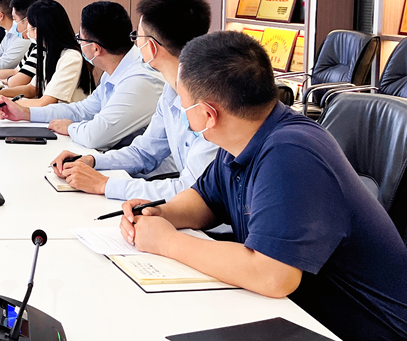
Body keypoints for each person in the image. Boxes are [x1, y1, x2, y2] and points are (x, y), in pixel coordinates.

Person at [119, 31, 407, 341]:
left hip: (362, 331)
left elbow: (273, 275)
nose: (182, 113)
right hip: (298, 316)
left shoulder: (291, 152)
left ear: (208, 114)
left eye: (184, 105)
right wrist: (161, 213)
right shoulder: (243, 138)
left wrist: (167, 242)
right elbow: (206, 200)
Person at [50, 0, 220, 201]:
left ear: (151, 47)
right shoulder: (171, 90)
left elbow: (193, 190)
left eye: (136, 36)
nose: (135, 43)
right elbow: (144, 152)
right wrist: (92, 160)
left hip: (205, 211)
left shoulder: (210, 102)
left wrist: (104, 184)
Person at [0, 1, 163, 150]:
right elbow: (82, 110)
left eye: (80, 39)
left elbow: (95, 136)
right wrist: (25, 113)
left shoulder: (139, 80)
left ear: (95, 48)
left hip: (146, 172)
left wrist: (70, 127)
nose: (78, 43)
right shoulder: (115, 70)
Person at [0, 0, 93, 107]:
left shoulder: (71, 57)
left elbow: (45, 103)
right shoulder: (49, 52)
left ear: (44, 29)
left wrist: (3, 100)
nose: (28, 30)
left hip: (65, 117)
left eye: (31, 26)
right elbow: (32, 89)